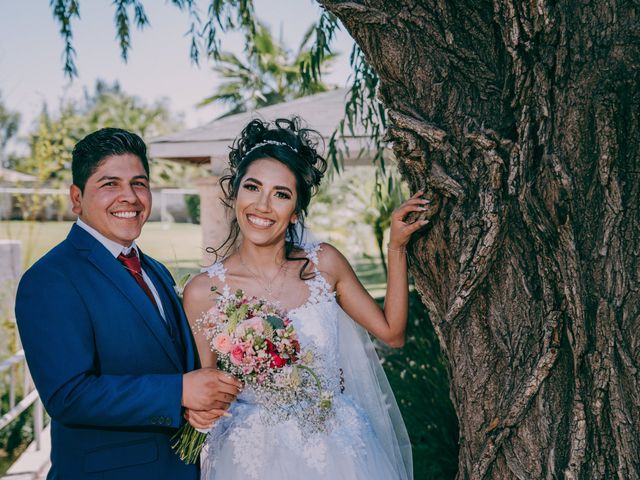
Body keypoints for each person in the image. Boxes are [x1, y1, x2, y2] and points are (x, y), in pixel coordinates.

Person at [183, 118, 425, 480]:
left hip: (337, 450)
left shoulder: (324, 264)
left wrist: (396, 248)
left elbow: (392, 333)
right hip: (250, 458)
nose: (263, 205)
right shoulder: (205, 291)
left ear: (295, 211)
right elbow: (205, 389)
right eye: (252, 187)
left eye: (281, 194)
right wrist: (196, 412)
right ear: (235, 195)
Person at [15, 128, 242, 480]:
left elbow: (173, 361)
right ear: (76, 198)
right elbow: (69, 395)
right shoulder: (50, 279)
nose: (130, 197)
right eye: (110, 184)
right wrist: (179, 392)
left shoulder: (155, 270)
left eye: (139, 183)